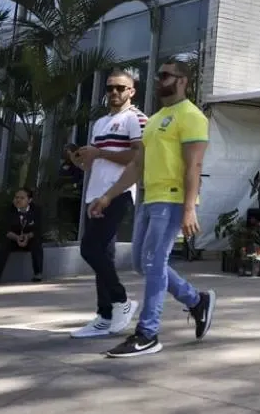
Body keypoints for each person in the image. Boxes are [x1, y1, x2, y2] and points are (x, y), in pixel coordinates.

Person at [89, 58, 215, 358]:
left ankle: (147, 333)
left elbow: (194, 165)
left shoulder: (192, 116)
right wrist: (108, 196)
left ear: (182, 81)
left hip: (172, 199)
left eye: (165, 75)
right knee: (140, 263)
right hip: (150, 197)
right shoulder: (156, 118)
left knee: (155, 263)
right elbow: (137, 165)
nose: (159, 80)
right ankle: (197, 301)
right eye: (158, 75)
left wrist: (189, 208)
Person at [69, 70, 146, 339]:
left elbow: (137, 157)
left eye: (120, 88)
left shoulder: (135, 118)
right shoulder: (101, 122)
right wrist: (81, 159)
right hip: (95, 194)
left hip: (117, 193)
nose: (114, 92)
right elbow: (95, 161)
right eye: (110, 87)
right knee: (103, 254)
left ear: (131, 91)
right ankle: (104, 316)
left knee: (89, 248)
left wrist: (100, 152)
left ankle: (121, 300)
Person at [0, 188, 44, 284]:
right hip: (13, 238)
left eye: (22, 198)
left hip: (29, 238)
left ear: (29, 200)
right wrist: (17, 238)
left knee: (37, 244)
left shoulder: (37, 210)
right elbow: (5, 229)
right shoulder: (9, 210)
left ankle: (38, 274)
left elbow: (39, 229)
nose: (18, 200)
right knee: (4, 245)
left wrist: (27, 237)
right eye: (16, 197)